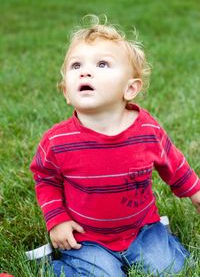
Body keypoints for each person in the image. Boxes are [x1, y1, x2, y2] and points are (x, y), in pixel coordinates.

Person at [30, 15, 200, 277]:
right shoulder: (57, 141)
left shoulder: (147, 130)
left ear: (130, 89)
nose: (85, 71)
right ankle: (55, 265)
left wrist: (195, 191)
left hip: (141, 229)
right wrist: (58, 220)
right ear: (66, 91)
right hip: (87, 236)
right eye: (76, 66)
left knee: (169, 269)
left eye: (102, 64)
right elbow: (46, 179)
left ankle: (161, 241)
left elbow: (173, 164)